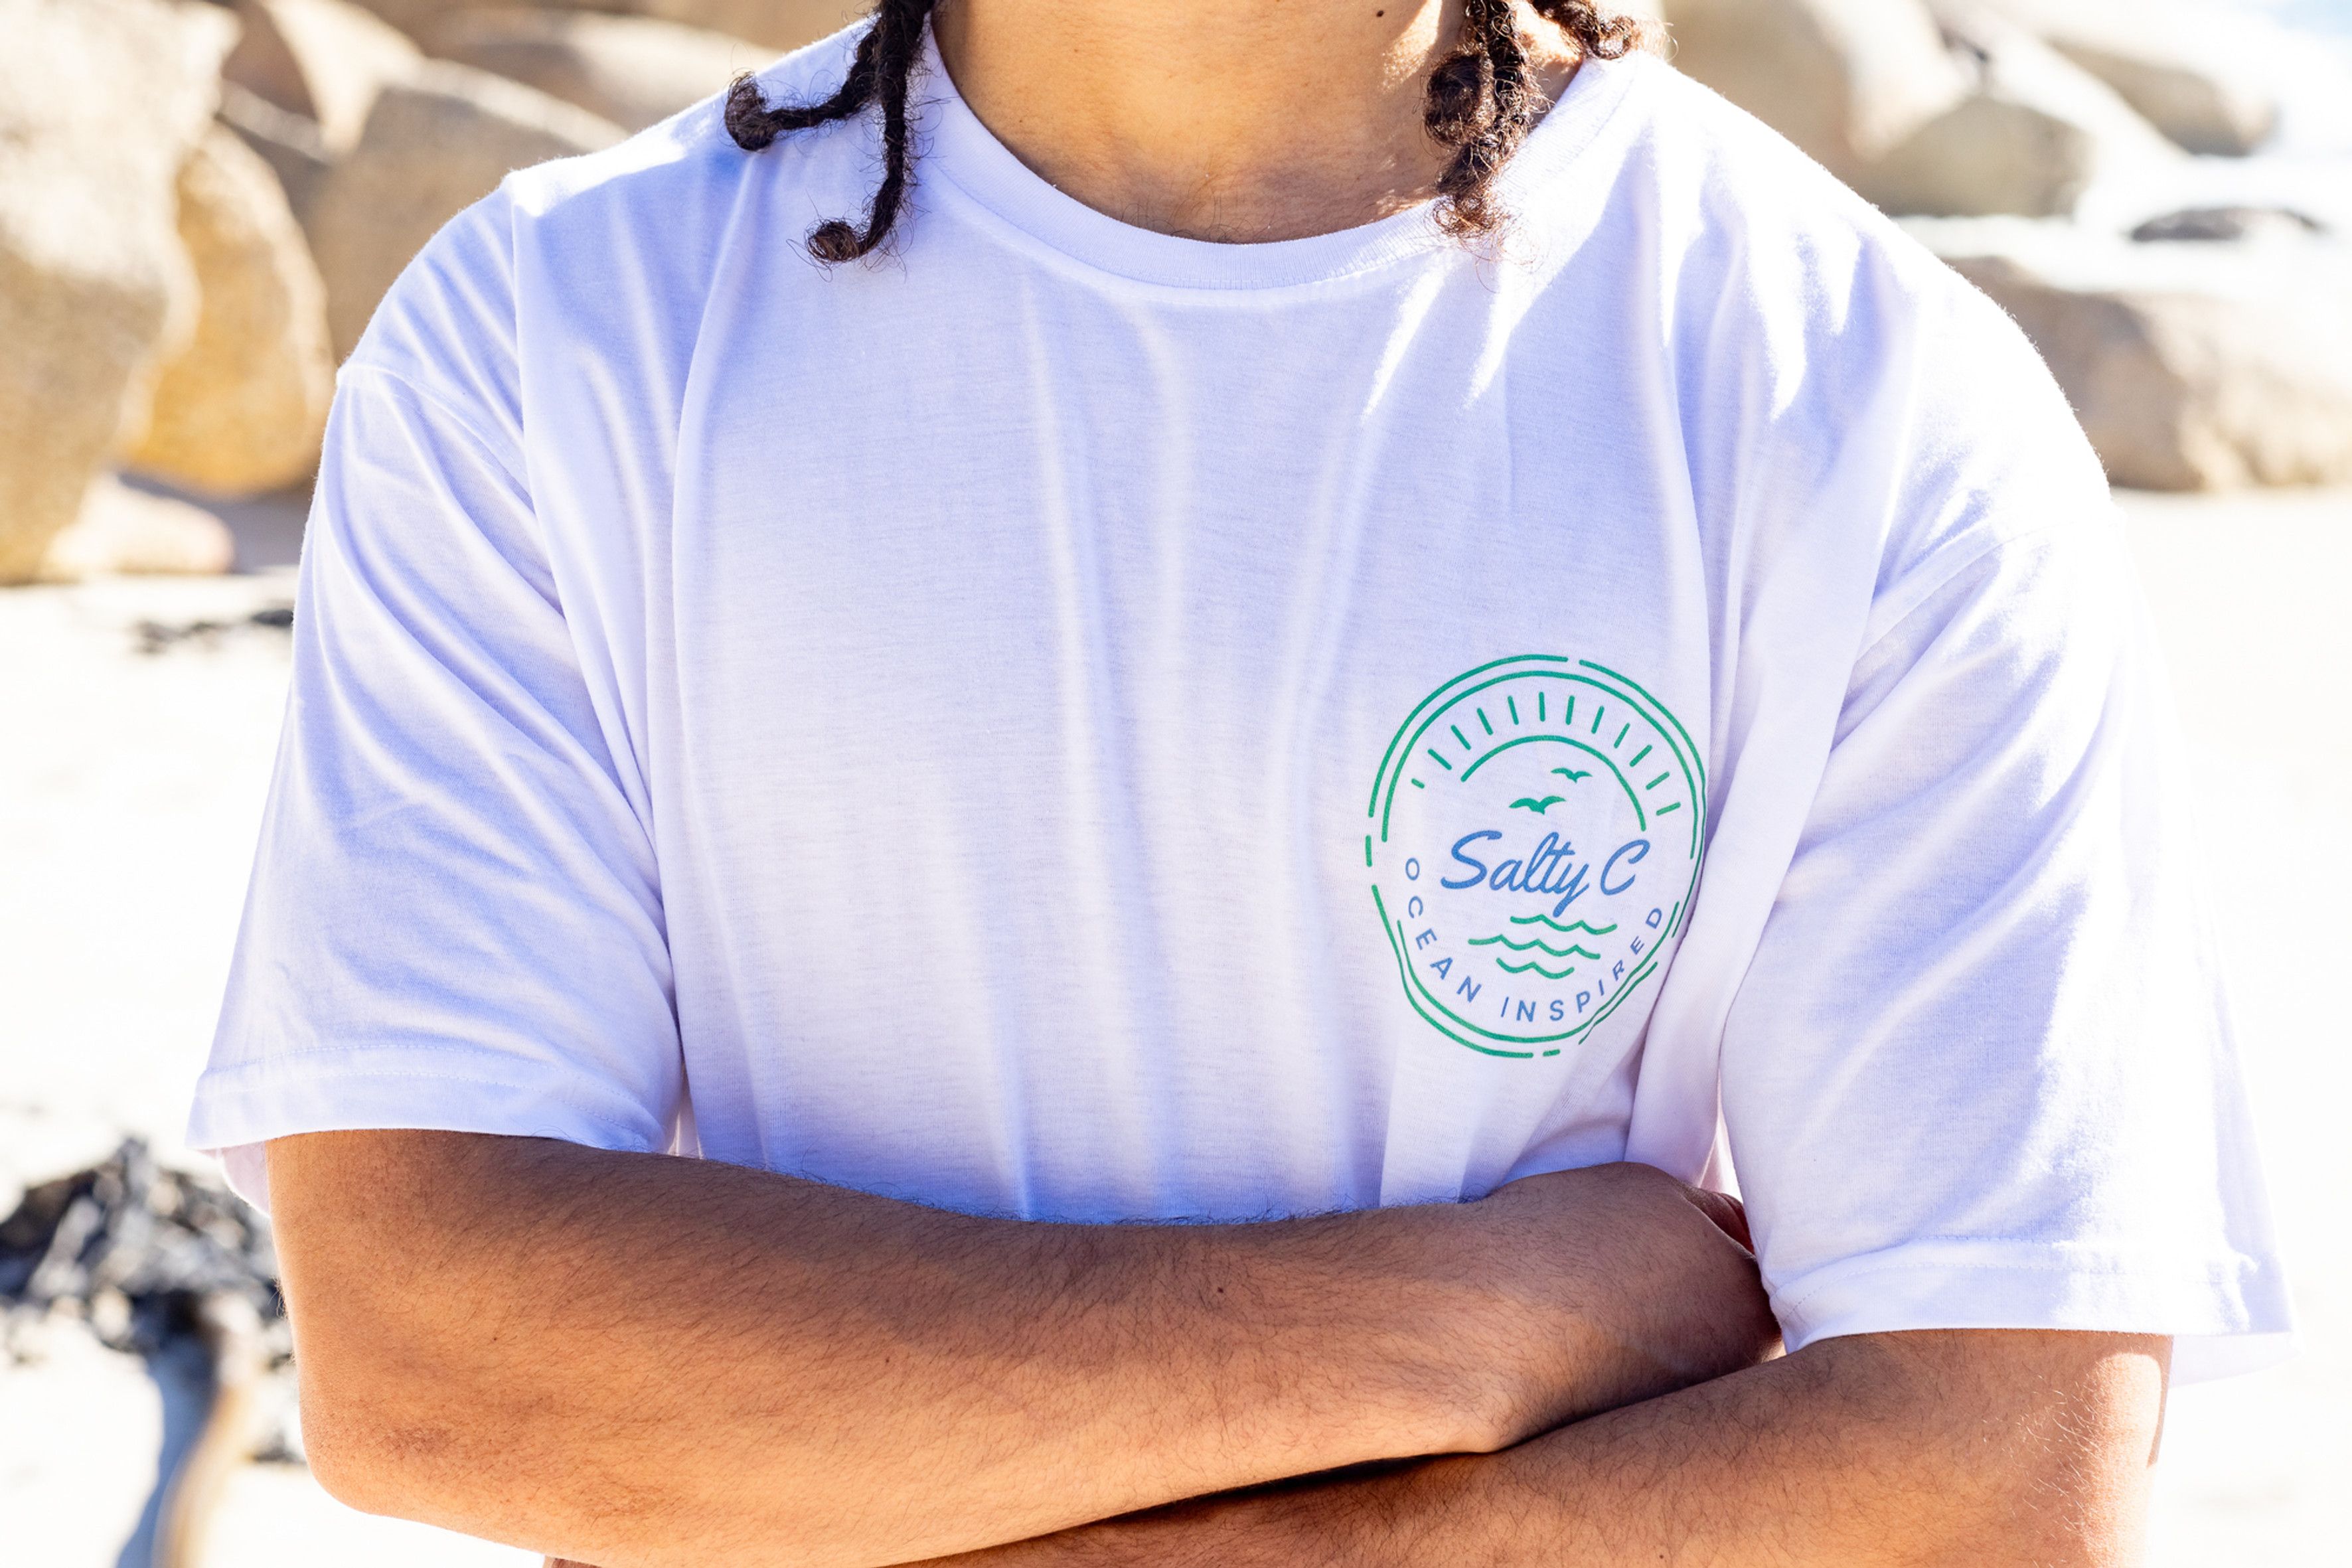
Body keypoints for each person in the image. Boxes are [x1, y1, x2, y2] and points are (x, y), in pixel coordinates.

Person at [189, 1, 2292, 1563]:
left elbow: (2000, 1475)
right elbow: (432, 1341)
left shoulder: (1854, 387)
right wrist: (1476, 1325)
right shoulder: (554, 339)